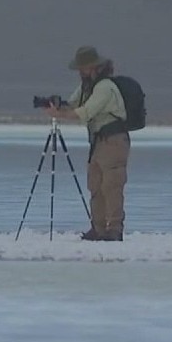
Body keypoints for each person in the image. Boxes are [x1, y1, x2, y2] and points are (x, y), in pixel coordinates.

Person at [43, 45, 130, 241]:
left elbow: (85, 112)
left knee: (112, 185)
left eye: (83, 68)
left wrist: (60, 115)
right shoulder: (87, 87)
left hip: (114, 141)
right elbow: (74, 104)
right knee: (96, 186)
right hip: (98, 142)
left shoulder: (105, 88)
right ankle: (98, 229)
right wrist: (58, 104)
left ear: (95, 67)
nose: (81, 72)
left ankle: (114, 229)